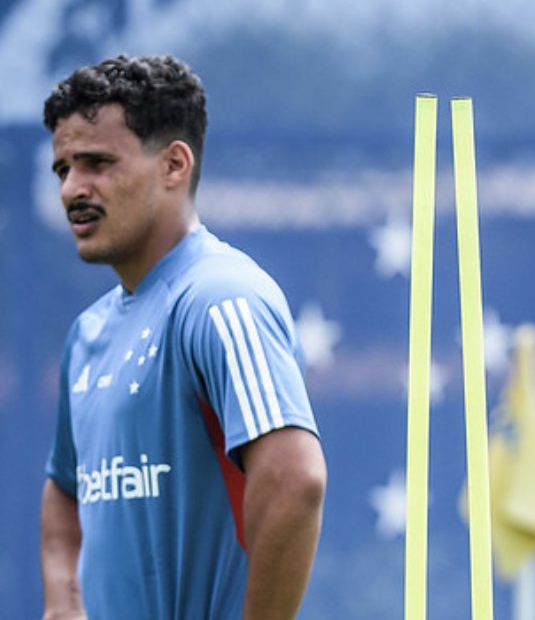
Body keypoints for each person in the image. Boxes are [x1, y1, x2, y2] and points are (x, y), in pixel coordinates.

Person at [39, 55, 327, 619]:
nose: (74, 188)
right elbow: (64, 489)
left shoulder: (221, 298)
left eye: (97, 162)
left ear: (174, 165)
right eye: (63, 169)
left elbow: (296, 479)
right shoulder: (88, 332)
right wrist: (63, 604)